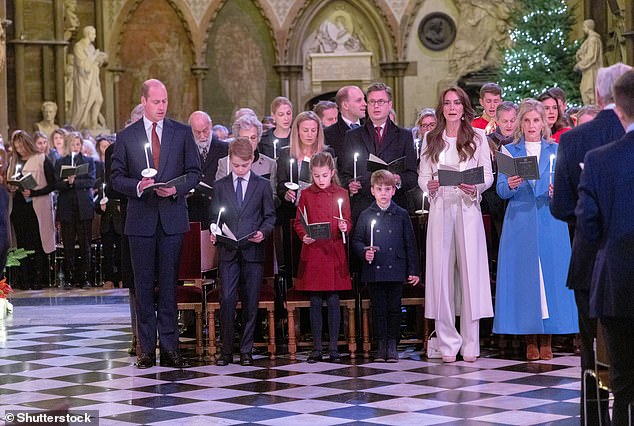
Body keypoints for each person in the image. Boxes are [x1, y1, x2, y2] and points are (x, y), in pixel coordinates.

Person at [551, 62, 631, 426]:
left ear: (600, 95)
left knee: (595, 352)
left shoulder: (575, 140)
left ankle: (595, 417)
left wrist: (593, 228)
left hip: (592, 261)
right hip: (614, 260)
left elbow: (563, 207)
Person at [111, 79, 201, 369]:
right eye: (156, 102)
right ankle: (146, 349)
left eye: (165, 101)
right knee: (144, 287)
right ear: (144, 102)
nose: (162, 106)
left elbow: (194, 172)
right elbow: (115, 179)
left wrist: (175, 189)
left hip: (172, 219)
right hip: (140, 222)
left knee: (169, 287)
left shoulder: (182, 133)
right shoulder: (126, 137)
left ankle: (172, 348)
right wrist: (139, 186)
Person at [494, 99, 578, 361]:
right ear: (521, 123)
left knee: (551, 278)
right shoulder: (510, 151)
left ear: (544, 123)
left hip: (550, 220)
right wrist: (513, 184)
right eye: (527, 120)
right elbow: (501, 190)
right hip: (520, 220)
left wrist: (558, 191)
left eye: (536, 120)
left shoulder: (555, 150)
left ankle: (548, 339)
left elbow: (570, 188)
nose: (531, 125)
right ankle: (530, 339)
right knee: (526, 279)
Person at [418, 86, 493, 363]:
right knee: (442, 276)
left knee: (470, 275)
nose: (452, 107)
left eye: (457, 103)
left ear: (464, 107)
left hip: (467, 207)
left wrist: (476, 187)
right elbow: (423, 176)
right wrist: (430, 185)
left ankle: (471, 342)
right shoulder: (431, 138)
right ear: (442, 108)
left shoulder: (478, 137)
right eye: (447, 103)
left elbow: (487, 175)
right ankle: (448, 342)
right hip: (441, 208)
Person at [576, 69, 634, 426]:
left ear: (620, 110)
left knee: (623, 377)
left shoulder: (599, 159)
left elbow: (589, 225)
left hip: (617, 280)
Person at [210, 137, 276, 366]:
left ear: (251, 161)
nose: (239, 170)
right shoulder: (220, 186)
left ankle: (246, 350)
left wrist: (263, 232)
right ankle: (227, 350)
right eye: (236, 165)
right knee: (227, 298)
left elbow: (270, 216)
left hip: (253, 250)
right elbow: (214, 216)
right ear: (230, 160)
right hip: (228, 250)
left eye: (244, 166)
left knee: (251, 300)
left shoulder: (262, 185)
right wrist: (214, 229)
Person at [352, 170, 420, 362]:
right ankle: (381, 343)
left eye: (387, 189)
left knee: (394, 308)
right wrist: (365, 251)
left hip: (396, 269)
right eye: (379, 189)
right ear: (372, 191)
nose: (383, 192)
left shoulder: (401, 214)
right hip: (375, 269)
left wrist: (413, 271)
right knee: (378, 308)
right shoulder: (366, 214)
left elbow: (410, 244)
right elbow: (356, 239)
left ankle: (392, 343)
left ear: (393, 191)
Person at [293, 152, 351, 363]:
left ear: (332, 173)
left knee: (334, 300)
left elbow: (348, 220)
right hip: (315, 252)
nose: (320, 180)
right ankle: (317, 347)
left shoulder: (342, 193)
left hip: (334, 251)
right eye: (316, 176)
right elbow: (298, 221)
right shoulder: (307, 194)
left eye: (324, 175)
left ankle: (334, 347)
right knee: (315, 301)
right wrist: (304, 235)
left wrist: (345, 226)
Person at [340, 82, 418, 222]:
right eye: (372, 102)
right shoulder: (352, 136)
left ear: (390, 104)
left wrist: (398, 180)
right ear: (367, 105)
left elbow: (412, 176)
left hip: (395, 208)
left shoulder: (404, 136)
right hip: (363, 208)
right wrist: (350, 185)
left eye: (381, 101)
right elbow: (344, 173)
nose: (376, 106)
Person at [276, 111, 334, 279]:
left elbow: (334, 182)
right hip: (294, 215)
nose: (309, 134)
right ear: (298, 131)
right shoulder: (287, 153)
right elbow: (280, 184)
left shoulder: (327, 153)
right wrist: (285, 194)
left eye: (313, 130)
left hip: (321, 215)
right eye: (305, 130)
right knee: (295, 260)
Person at [6, 131, 56, 290]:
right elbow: (10, 179)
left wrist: (34, 192)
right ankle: (24, 278)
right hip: (18, 207)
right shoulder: (14, 161)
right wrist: (11, 187)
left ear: (27, 143)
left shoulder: (41, 158)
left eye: (21, 145)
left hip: (36, 206)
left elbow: (53, 184)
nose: (19, 149)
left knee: (36, 242)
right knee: (21, 243)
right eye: (16, 146)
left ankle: (38, 278)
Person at [55, 131, 96, 289]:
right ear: (67, 145)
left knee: (85, 244)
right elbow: (56, 184)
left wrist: (75, 181)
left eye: (78, 144)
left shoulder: (88, 161)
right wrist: (67, 182)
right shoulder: (61, 162)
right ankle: (70, 277)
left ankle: (85, 277)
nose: (76, 147)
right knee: (69, 244)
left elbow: (91, 180)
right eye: (72, 144)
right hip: (67, 208)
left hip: (83, 207)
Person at [216, 114, 276, 195]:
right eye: (245, 138)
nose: (249, 143)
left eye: (253, 138)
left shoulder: (270, 164)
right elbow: (219, 194)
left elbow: (273, 197)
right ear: (237, 139)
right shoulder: (225, 163)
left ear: (258, 138)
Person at [187, 111, 228, 228]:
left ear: (210, 126)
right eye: (197, 132)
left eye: (205, 130)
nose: (202, 136)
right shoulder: (185, 150)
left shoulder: (225, 148)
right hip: (192, 209)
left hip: (217, 208)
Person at [71, 26, 108, 130]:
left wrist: (100, 59)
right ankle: (81, 124)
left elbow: (93, 63)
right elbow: (84, 66)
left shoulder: (91, 47)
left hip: (93, 79)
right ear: (88, 34)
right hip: (84, 81)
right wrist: (95, 55)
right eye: (93, 34)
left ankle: (93, 123)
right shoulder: (79, 46)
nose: (95, 36)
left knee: (99, 100)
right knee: (84, 102)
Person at [324, 85, 366, 159]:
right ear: (345, 105)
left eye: (364, 99)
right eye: (359, 100)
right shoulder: (328, 134)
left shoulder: (370, 128)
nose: (365, 104)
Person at [575, 19, 603, 106]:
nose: (583, 29)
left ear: (588, 27)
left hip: (591, 70)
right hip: (588, 70)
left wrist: (580, 65)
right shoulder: (590, 39)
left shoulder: (593, 40)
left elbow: (591, 56)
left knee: (588, 91)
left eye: (584, 27)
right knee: (585, 90)